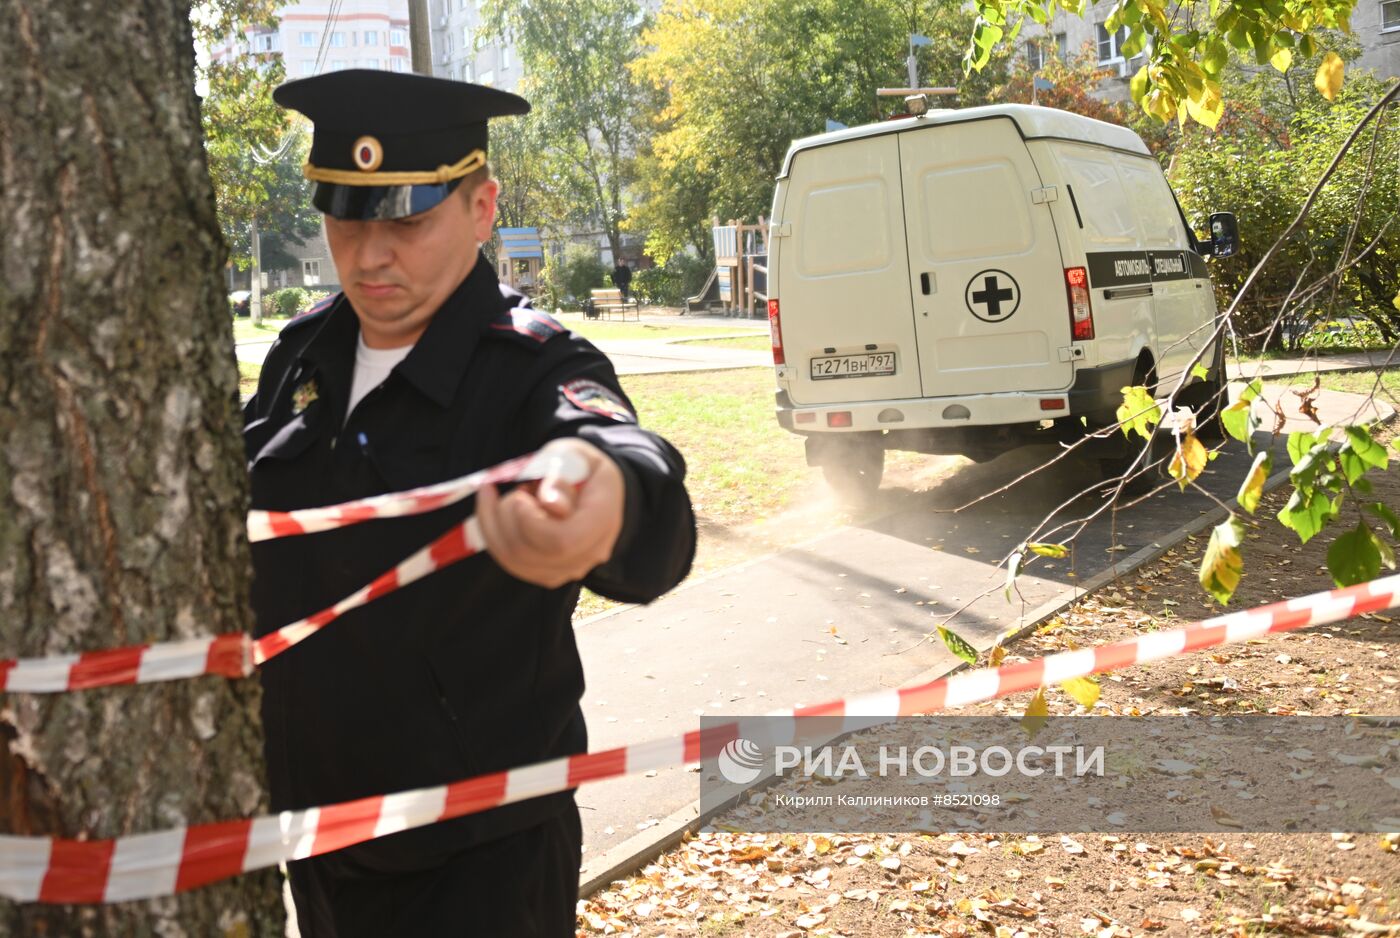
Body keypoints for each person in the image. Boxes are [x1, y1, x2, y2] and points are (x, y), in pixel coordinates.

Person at [244, 70, 696, 937]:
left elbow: (628, 467)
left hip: (479, 863)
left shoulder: (530, 368)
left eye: (407, 221)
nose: (370, 255)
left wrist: (607, 499)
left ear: (482, 208)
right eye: (346, 216)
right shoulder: (303, 355)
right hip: (320, 840)